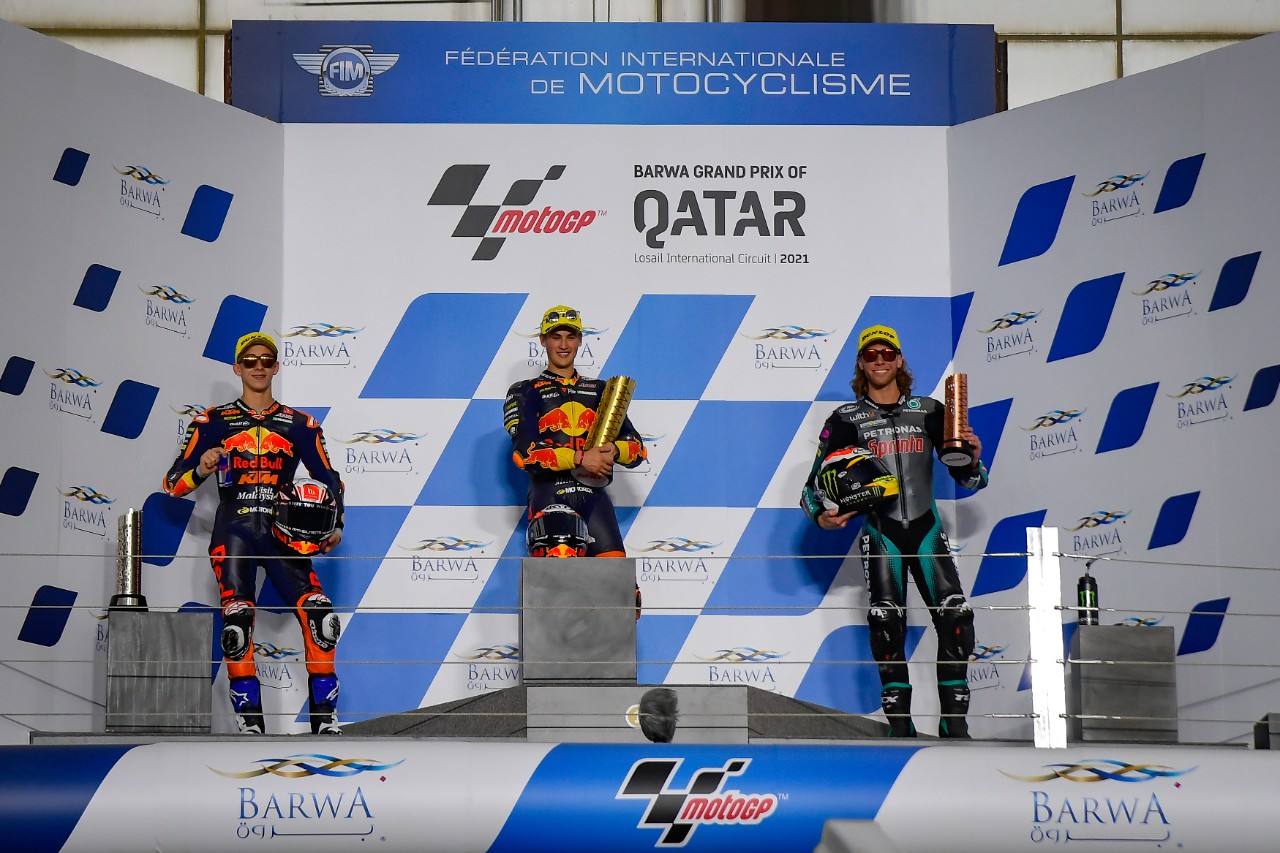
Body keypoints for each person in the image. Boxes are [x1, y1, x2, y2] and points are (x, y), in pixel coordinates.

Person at [800, 324, 988, 738]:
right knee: (886, 623)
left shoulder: (932, 410)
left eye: (887, 353)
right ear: (861, 364)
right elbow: (812, 488)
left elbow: (971, 480)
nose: (880, 361)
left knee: (956, 617)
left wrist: (973, 460)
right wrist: (821, 517)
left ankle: (954, 725)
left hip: (927, 531)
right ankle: (899, 729)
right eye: (871, 355)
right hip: (880, 533)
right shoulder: (844, 420)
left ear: (900, 360)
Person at [163, 332, 346, 735]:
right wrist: (203, 468)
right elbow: (173, 484)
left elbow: (330, 478)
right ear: (237, 368)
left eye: (266, 360)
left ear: (276, 367)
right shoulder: (211, 422)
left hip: (286, 533)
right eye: (250, 361)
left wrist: (337, 524)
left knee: (320, 617)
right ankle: (251, 726)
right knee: (237, 623)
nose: (258, 367)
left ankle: (325, 721)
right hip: (234, 531)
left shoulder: (301, 424)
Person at [504, 305, 646, 561]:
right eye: (556, 337)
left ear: (580, 340)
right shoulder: (525, 390)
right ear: (543, 340)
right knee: (558, 576)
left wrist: (614, 450)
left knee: (619, 579)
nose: (563, 345)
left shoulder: (602, 390)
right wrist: (581, 458)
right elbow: (525, 454)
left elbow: (637, 448)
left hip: (595, 497)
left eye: (570, 337)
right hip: (550, 494)